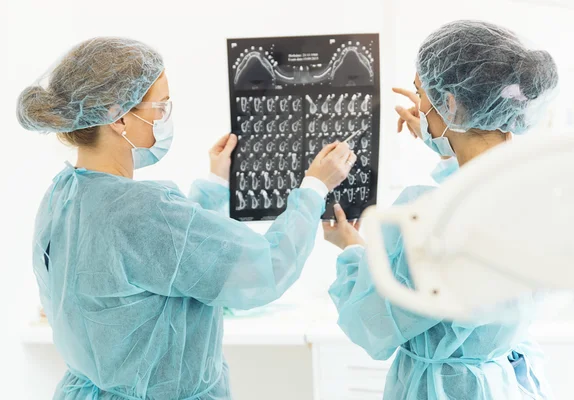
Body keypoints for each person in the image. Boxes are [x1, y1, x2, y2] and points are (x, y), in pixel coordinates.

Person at [17, 37, 356, 399]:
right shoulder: (142, 212)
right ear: (118, 116)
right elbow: (266, 268)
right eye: (159, 106)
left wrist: (214, 182)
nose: (164, 118)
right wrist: (314, 189)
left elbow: (169, 257)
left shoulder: (62, 196)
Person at [324, 20, 558, 400]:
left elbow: (371, 323)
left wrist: (350, 248)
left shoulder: (427, 219)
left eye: (421, 93)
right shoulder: (536, 195)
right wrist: (448, 145)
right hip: (506, 385)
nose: (418, 105)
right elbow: (478, 196)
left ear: (449, 103)